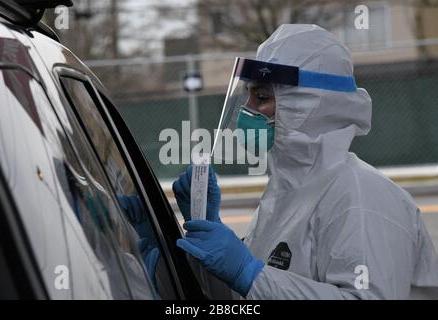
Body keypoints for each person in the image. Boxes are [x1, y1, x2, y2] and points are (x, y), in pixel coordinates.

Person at [172, 24, 438, 299]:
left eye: (262, 97)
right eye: (248, 94)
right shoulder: (287, 195)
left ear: (308, 106)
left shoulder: (362, 198)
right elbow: (246, 296)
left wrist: (249, 274)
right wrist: (208, 230)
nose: (247, 108)